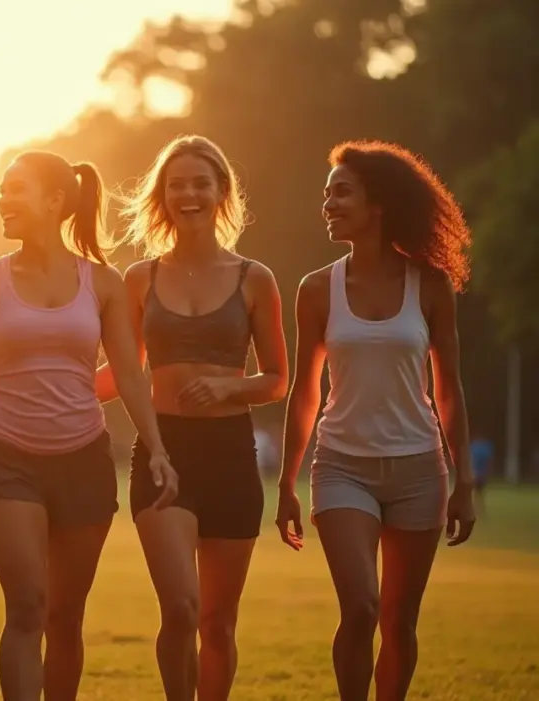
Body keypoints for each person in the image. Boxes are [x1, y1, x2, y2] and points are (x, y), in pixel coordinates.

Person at [0, 150, 178, 701]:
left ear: (54, 200)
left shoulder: (104, 283)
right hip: (8, 459)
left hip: (84, 462)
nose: (2, 199)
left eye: (14, 189)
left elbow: (129, 376)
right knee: (27, 607)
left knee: (65, 619)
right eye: (0, 189)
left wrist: (158, 448)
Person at [275, 140, 476, 701]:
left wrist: (464, 483)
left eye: (341, 192)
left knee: (399, 622)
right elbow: (303, 391)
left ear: (379, 204)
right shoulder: (316, 289)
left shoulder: (430, 286)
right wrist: (288, 483)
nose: (328, 204)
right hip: (343, 468)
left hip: (419, 470)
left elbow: (449, 390)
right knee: (361, 607)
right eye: (326, 194)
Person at [95, 135, 290, 701]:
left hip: (231, 456)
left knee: (218, 625)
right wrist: (58, 395)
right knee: (181, 608)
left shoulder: (256, 278)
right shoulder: (140, 279)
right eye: (176, 184)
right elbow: (122, 373)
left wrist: (230, 385)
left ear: (221, 192)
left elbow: (278, 379)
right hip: (164, 452)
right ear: (162, 196)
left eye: (201, 183)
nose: (188, 193)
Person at [468, 431, 495, 515]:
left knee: (476, 493)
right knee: (479, 493)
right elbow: (489, 461)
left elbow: (470, 460)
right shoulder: (486, 447)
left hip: (475, 474)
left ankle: (476, 509)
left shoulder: (474, 447)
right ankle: (479, 509)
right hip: (482, 474)